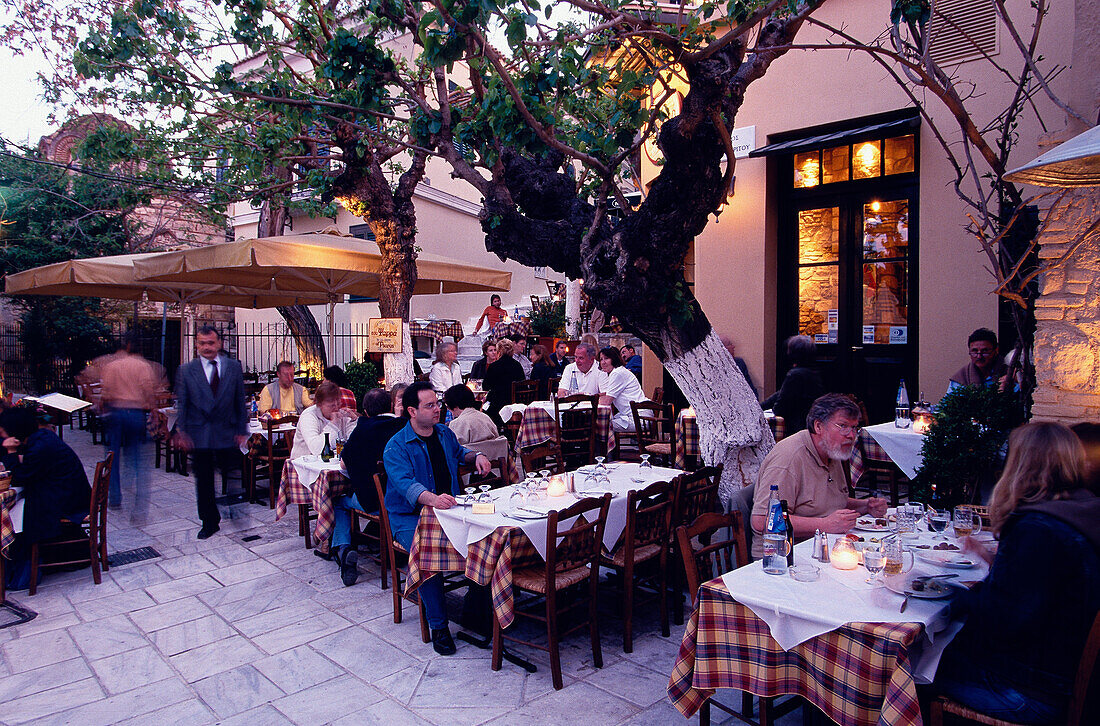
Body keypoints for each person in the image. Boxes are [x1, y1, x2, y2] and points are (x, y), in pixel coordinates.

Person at [934, 422, 1100, 724]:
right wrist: (995, 562)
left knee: (904, 667)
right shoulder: (1083, 510)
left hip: (1030, 693)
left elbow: (1002, 622)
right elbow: (1046, 591)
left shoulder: (1038, 530)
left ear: (1020, 464)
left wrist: (943, 593)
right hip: (1062, 677)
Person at [383, 382, 491, 654]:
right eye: (429, 405)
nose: (437, 409)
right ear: (411, 411)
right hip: (411, 518)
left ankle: (474, 608)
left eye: (437, 403)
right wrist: (432, 499)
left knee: (486, 540)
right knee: (427, 554)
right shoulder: (396, 447)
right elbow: (405, 483)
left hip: (448, 514)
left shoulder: (443, 433)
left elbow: (459, 453)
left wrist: (476, 455)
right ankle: (439, 626)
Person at [749, 394, 887, 559]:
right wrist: (824, 525)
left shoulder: (832, 451)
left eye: (854, 427)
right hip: (783, 557)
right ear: (819, 426)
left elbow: (822, 501)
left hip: (823, 547)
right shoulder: (789, 458)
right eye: (843, 426)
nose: (851, 435)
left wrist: (864, 506)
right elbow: (762, 520)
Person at [0, 407, 92, 591]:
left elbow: (20, 477)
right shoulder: (43, 437)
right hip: (71, 493)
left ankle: (21, 568)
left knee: (21, 512)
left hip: (69, 501)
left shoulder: (41, 447)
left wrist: (10, 451)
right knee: (21, 505)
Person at [173, 325, 249, 540]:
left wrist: (241, 430)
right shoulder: (186, 371)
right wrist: (183, 432)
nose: (207, 347)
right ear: (196, 345)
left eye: (211, 343)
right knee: (204, 480)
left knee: (233, 474)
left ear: (219, 343)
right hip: (200, 434)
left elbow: (239, 401)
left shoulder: (233, 367)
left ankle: (236, 513)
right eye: (202, 343)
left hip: (227, 432)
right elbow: (183, 404)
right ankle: (209, 521)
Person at [330, 388, 405, 586]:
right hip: (406, 499)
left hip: (374, 502)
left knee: (338, 500)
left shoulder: (361, 430)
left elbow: (344, 466)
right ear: (390, 405)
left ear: (365, 411)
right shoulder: (404, 426)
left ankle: (343, 548)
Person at [97, 332, 167, 515]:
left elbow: (105, 394)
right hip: (136, 413)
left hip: (116, 411)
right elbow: (148, 391)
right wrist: (153, 410)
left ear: (125, 346)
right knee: (136, 456)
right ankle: (139, 502)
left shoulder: (112, 366)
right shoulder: (143, 366)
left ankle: (115, 498)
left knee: (112, 457)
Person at [761, 335, 823, 435]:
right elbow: (781, 393)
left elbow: (781, 407)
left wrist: (761, 408)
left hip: (796, 427)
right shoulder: (813, 372)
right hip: (809, 422)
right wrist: (760, 406)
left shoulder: (796, 375)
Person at [290, 381, 357, 459]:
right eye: (331, 405)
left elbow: (354, 442)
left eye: (338, 403)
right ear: (319, 404)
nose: (336, 408)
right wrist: (333, 424)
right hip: (304, 465)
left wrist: (353, 421)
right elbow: (316, 449)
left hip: (333, 463)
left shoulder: (341, 414)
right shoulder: (308, 416)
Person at [597, 347, 647, 432]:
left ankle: (603, 445)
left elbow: (606, 401)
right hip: (635, 415)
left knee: (599, 425)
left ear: (614, 359)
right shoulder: (618, 371)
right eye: (601, 359)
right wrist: (590, 397)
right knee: (601, 423)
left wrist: (589, 401)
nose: (603, 362)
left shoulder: (617, 373)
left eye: (606, 358)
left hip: (638, 418)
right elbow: (608, 393)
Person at [949, 327, 1009, 392]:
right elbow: (949, 401)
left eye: (985, 351)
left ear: (996, 350)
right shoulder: (962, 377)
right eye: (974, 351)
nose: (979, 356)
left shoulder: (1009, 372)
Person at [483, 338, 525, 423]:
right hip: (515, 404)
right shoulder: (517, 365)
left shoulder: (494, 366)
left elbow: (485, 386)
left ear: (499, 351)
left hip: (497, 405)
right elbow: (522, 384)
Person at [719, 334, 758, 400]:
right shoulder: (714, 367)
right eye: (730, 344)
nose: (733, 347)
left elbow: (750, 387)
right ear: (722, 348)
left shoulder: (739, 363)